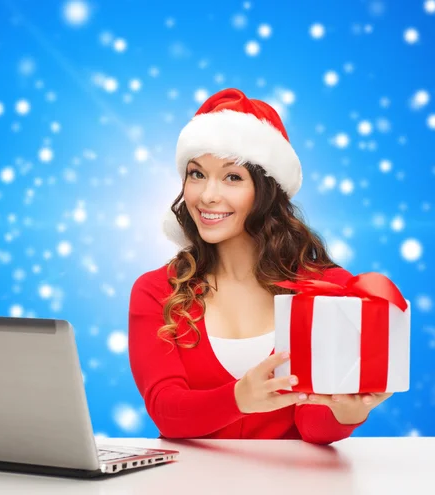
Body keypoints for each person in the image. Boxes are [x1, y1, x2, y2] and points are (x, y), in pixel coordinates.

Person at [128, 88, 392, 444]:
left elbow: (311, 427)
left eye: (232, 177)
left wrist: (347, 411)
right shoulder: (158, 291)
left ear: (267, 190)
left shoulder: (328, 289)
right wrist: (239, 398)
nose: (207, 195)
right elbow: (166, 411)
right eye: (196, 174)